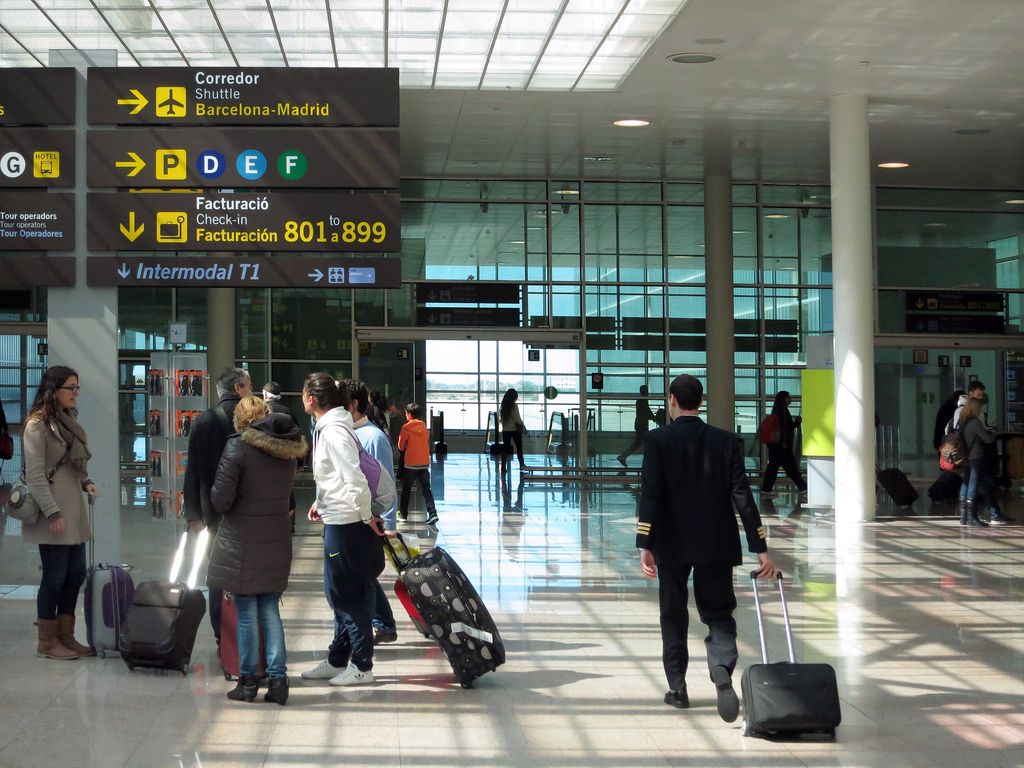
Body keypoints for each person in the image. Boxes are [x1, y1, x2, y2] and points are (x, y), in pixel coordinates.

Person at [637, 374, 777, 721]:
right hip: (716, 541)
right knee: (718, 613)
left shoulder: (657, 441)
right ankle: (720, 665)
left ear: (672, 400)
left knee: (673, 614)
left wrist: (645, 542)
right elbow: (742, 497)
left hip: (670, 543)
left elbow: (651, 494)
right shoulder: (726, 442)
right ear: (700, 401)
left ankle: (678, 688)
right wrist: (760, 546)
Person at [209, 396, 308, 705]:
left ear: (240, 420)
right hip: (277, 538)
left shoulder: (238, 447)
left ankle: (248, 681)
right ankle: (278, 681)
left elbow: (221, 499)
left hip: (242, 540)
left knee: (246, 614)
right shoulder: (287, 452)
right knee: (270, 610)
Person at [300, 373, 386, 687]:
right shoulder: (332, 428)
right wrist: (321, 501)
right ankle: (338, 659)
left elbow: (354, 479)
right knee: (341, 594)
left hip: (349, 524)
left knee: (346, 598)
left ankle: (362, 665)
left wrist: (366, 517)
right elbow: (334, 477)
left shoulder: (334, 432)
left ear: (311, 398)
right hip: (341, 518)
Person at [21, 365, 98, 660]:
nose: (75, 393)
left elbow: (72, 464)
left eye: (77, 388)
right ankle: (47, 641)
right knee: (54, 577)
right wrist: (52, 512)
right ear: (54, 391)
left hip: (73, 511)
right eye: (71, 388)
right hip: (52, 514)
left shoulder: (66, 422)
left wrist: (86, 481)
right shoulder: (36, 426)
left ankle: (66, 636)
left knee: (75, 574)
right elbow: (36, 475)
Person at [182, 367, 252, 652]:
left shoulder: (203, 421)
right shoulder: (255, 420)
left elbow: (193, 472)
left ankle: (220, 633)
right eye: (249, 386)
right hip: (249, 510)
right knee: (249, 574)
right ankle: (246, 631)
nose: (252, 391)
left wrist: (194, 514)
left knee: (218, 575)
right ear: (238, 389)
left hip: (213, 512)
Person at [343, 379, 399, 645]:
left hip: (370, 521)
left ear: (353, 404)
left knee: (363, 575)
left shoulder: (373, 437)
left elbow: (386, 483)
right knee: (361, 575)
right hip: (351, 519)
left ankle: (380, 624)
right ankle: (383, 623)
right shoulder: (344, 433)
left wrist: (388, 523)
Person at [959, 398, 1012, 526]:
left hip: (966, 457)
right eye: (979, 408)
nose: (980, 410)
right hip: (976, 457)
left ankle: (964, 517)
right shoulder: (975, 422)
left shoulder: (963, 422)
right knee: (973, 486)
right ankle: (972, 518)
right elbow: (987, 439)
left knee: (966, 485)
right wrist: (993, 432)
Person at [262, 381, 299, 532]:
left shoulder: (262, 411)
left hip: (266, 458)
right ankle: (289, 523)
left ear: (265, 395)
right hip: (287, 456)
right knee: (288, 489)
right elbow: (297, 435)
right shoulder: (288, 411)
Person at [397, 403, 438, 526]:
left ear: (409, 415)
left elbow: (400, 446)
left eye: (406, 413)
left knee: (406, 489)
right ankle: (432, 513)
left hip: (410, 464)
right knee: (426, 489)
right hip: (424, 463)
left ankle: (403, 514)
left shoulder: (406, 427)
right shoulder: (425, 428)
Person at [760, 391, 807, 496]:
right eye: (788, 397)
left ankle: (766, 490)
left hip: (776, 446)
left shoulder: (777, 410)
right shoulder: (783, 412)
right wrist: (784, 442)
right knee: (791, 469)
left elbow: (785, 427)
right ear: (784, 399)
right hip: (782, 447)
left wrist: (796, 423)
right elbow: (785, 429)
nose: (790, 399)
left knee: (774, 468)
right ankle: (804, 488)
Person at [618, 385, 657, 466]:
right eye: (646, 391)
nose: (647, 393)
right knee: (640, 443)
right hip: (641, 426)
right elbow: (646, 412)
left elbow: (646, 412)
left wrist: (652, 417)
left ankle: (624, 456)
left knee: (640, 443)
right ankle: (623, 456)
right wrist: (654, 417)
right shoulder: (642, 401)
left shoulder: (642, 401)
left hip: (641, 425)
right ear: (642, 392)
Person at [499, 388, 527, 469]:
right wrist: (523, 425)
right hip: (515, 431)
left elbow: (501, 419)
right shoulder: (514, 406)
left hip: (505, 431)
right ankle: (522, 465)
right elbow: (517, 418)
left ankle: (503, 467)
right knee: (519, 448)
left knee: (505, 449)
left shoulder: (503, 405)